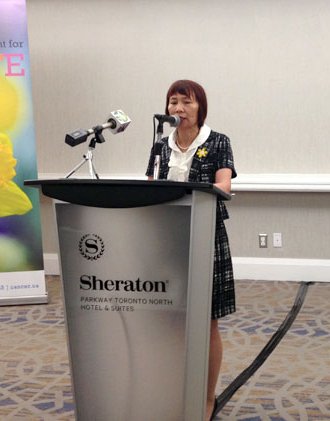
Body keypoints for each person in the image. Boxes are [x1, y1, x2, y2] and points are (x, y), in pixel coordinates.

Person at [146, 79, 236, 420]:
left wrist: (191, 190)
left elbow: (224, 184)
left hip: (205, 236)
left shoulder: (217, 141)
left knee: (207, 322)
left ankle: (207, 397)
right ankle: (171, 389)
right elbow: (150, 187)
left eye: (186, 102)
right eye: (173, 102)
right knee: (168, 320)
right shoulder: (160, 144)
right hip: (166, 239)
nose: (179, 108)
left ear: (201, 107)